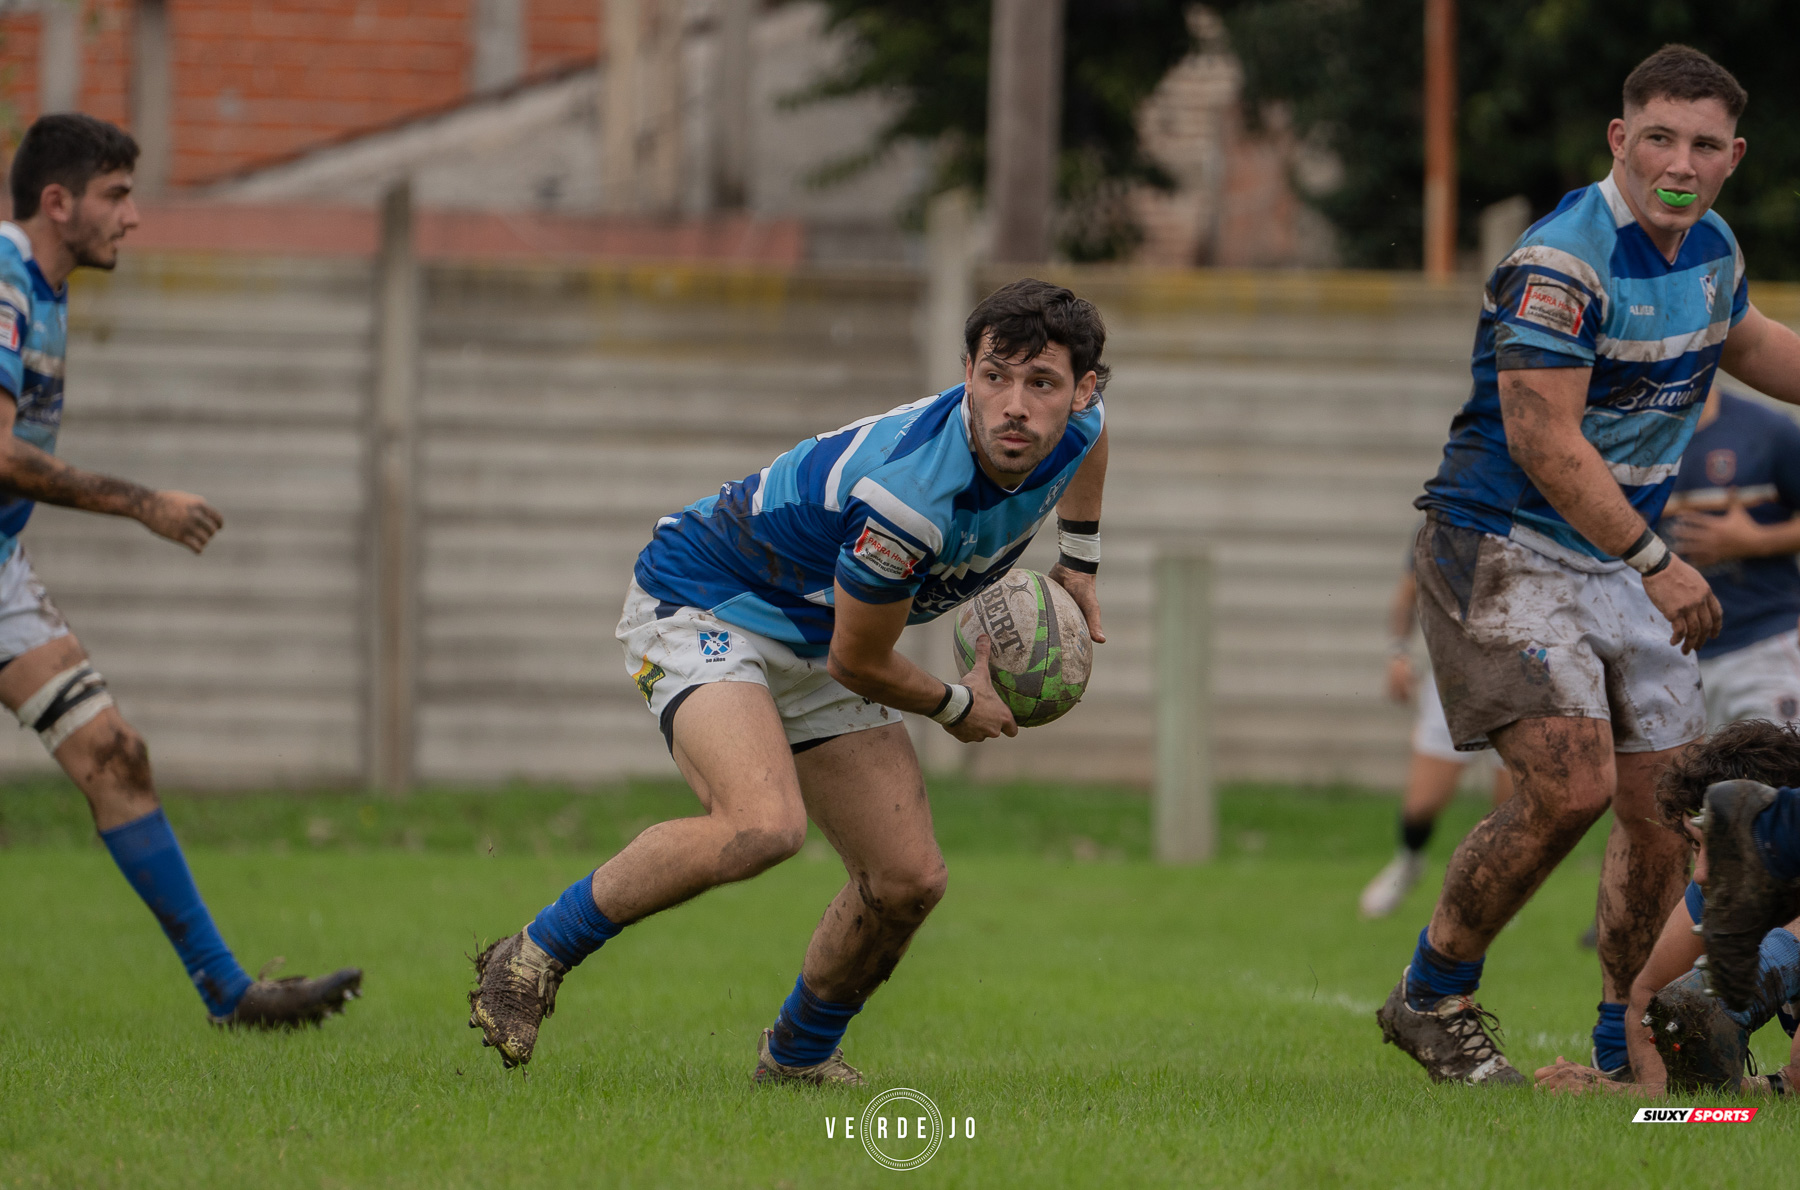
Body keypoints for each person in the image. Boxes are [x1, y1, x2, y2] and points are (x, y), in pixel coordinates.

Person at [468, 279, 1110, 1078]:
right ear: (967, 373)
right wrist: (954, 705)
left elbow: (1093, 444)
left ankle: (798, 1058)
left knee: (907, 880)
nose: (1014, 405)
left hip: (820, 628)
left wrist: (1078, 563)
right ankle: (531, 956)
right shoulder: (906, 500)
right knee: (762, 825)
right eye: (993, 377)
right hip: (707, 603)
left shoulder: (1081, 425)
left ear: (1083, 389)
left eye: (1041, 383)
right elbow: (859, 663)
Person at [1376, 45, 1800, 1086]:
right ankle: (1431, 993)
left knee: (1668, 805)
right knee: (1569, 781)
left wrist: (1640, 564)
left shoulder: (1711, 248)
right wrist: (1658, 559)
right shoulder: (1562, 261)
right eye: (1658, 135)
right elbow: (1543, 438)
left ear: (1732, 156)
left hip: (1615, 559)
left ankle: (1628, 1043)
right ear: (1621, 139)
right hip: (1503, 542)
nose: (1679, 160)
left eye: (1703, 144)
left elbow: (1746, 339)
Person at [0, 115, 361, 1025]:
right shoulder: (5, 277)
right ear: (59, 201)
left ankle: (229, 994)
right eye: (117, 195)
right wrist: (140, 501)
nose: (132, 217)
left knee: (113, 753)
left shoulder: (42, 285)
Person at [1534, 719, 1800, 1096]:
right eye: (1695, 845)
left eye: (1726, 846)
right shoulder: (1724, 886)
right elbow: (1650, 995)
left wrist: (1619, 1098)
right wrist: (1660, 1098)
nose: (1703, 874)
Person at [1360, 532, 1513, 919]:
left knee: (1510, 807)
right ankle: (1408, 863)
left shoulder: (1533, 512)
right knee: (1422, 803)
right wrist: (1398, 653)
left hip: (1520, 682)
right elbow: (1407, 591)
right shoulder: (1444, 517)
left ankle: (1495, 891)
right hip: (1453, 682)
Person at [1662, 381, 1800, 730]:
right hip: (1667, 659)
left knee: (1781, 776)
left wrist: (1758, 541)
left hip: (1763, 644)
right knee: (1686, 785)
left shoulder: (1768, 429)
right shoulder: (1626, 438)